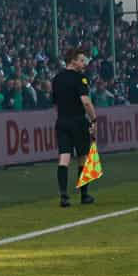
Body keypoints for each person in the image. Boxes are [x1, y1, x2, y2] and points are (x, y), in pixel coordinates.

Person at [49, 46, 98, 208]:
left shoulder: (57, 79)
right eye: (81, 60)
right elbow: (86, 101)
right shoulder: (80, 78)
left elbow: (55, 104)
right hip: (78, 121)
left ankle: (64, 195)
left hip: (62, 121)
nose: (84, 64)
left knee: (64, 157)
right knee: (82, 156)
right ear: (73, 61)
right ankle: (84, 195)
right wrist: (94, 119)